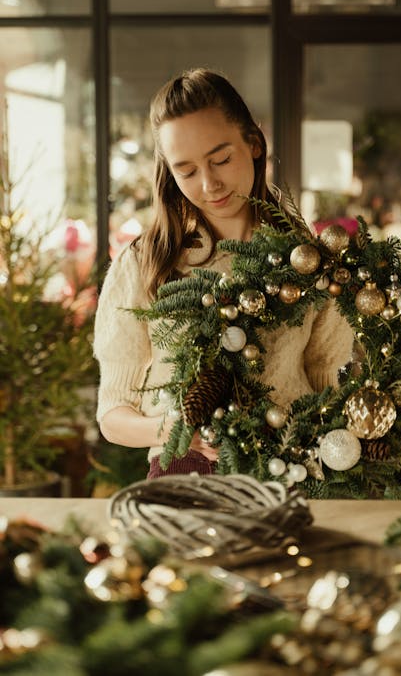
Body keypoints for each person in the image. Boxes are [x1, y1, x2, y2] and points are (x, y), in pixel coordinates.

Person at [93, 68, 354, 479]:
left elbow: (329, 388)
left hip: (293, 478)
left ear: (253, 143)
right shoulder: (145, 263)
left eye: (221, 159)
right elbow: (112, 414)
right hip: (183, 483)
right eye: (187, 170)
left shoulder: (307, 263)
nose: (210, 183)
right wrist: (175, 429)